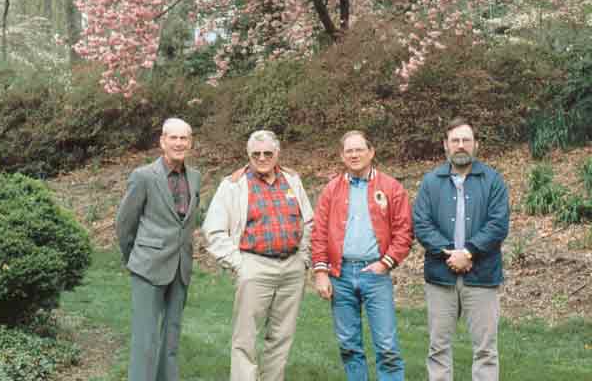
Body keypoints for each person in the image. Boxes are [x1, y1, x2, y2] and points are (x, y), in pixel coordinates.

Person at [202, 130, 313, 381]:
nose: (262, 158)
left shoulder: (292, 180)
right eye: (256, 154)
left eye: (267, 153)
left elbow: (309, 221)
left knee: (281, 336)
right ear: (248, 155)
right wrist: (239, 264)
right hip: (254, 266)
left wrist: (304, 258)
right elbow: (214, 229)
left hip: (292, 267)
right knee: (246, 338)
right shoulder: (233, 184)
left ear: (277, 153)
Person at [412, 117, 510, 381]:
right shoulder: (431, 182)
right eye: (455, 140)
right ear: (446, 145)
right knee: (438, 348)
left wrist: (467, 252)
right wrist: (449, 252)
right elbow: (422, 224)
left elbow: (498, 224)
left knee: (486, 350)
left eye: (466, 140)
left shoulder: (493, 181)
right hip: (440, 277)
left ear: (476, 144)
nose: (461, 145)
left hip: (482, 276)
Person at [312, 130, 413, 381]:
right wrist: (322, 273)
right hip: (341, 275)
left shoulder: (391, 188)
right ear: (342, 156)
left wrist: (385, 263)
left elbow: (404, 231)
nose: (354, 154)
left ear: (371, 152)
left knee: (387, 345)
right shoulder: (331, 190)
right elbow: (319, 233)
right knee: (349, 345)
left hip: (375, 274)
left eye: (359, 149)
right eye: (349, 151)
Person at [116, 118, 201, 381]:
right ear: (162, 141)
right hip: (147, 267)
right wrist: (136, 258)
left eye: (183, 138)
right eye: (173, 138)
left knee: (172, 338)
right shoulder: (143, 176)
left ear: (190, 143)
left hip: (180, 268)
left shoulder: (195, 177)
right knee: (146, 339)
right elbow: (124, 223)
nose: (178, 143)